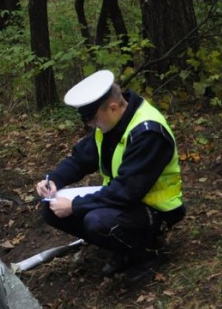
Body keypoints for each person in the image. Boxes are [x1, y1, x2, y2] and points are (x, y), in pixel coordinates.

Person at [35, 70, 185, 285]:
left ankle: (147, 254)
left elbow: (126, 191)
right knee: (52, 208)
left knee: (97, 221)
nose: (91, 125)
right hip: (127, 201)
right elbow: (80, 159)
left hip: (156, 210)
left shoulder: (148, 133)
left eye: (93, 119)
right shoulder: (111, 124)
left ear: (113, 108)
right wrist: (54, 180)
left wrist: (75, 205)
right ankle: (122, 248)